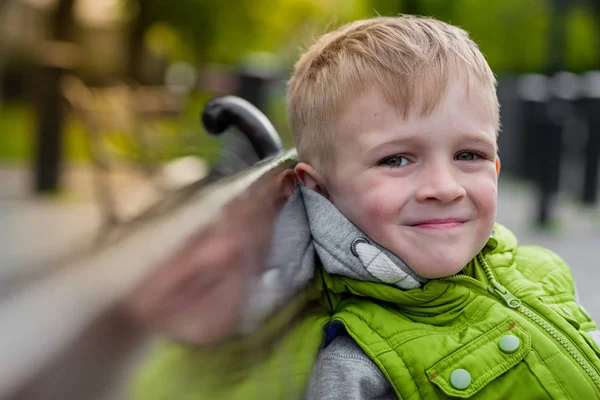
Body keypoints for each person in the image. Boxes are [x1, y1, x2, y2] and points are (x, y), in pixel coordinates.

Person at [129, 15, 600, 399]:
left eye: (468, 155)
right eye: (396, 159)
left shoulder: (540, 270)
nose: (444, 186)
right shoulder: (355, 364)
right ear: (320, 190)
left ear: (495, 169)